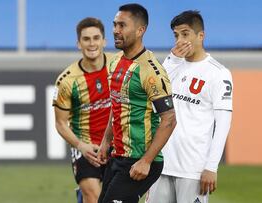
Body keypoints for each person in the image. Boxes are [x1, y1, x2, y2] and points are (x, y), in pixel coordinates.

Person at [147, 10, 233, 203]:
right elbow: (153, 102)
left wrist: (212, 167)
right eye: (176, 35)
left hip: (193, 169)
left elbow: (223, 123)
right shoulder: (171, 66)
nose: (180, 40)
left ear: (200, 35)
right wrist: (172, 61)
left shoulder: (219, 73)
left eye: (185, 34)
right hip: (161, 163)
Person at [95, 3, 177, 203]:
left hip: (140, 162)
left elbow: (169, 119)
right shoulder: (114, 62)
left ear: (141, 30)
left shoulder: (151, 71)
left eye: (122, 25)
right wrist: (106, 141)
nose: (115, 30)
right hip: (117, 157)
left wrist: (146, 161)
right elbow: (117, 105)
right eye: (114, 24)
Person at [52, 17, 112, 203]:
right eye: (86, 39)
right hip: (87, 147)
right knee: (94, 196)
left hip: (117, 144)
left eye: (96, 38)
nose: (92, 43)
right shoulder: (66, 81)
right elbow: (60, 123)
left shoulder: (119, 66)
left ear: (104, 41)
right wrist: (80, 146)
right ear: (79, 43)